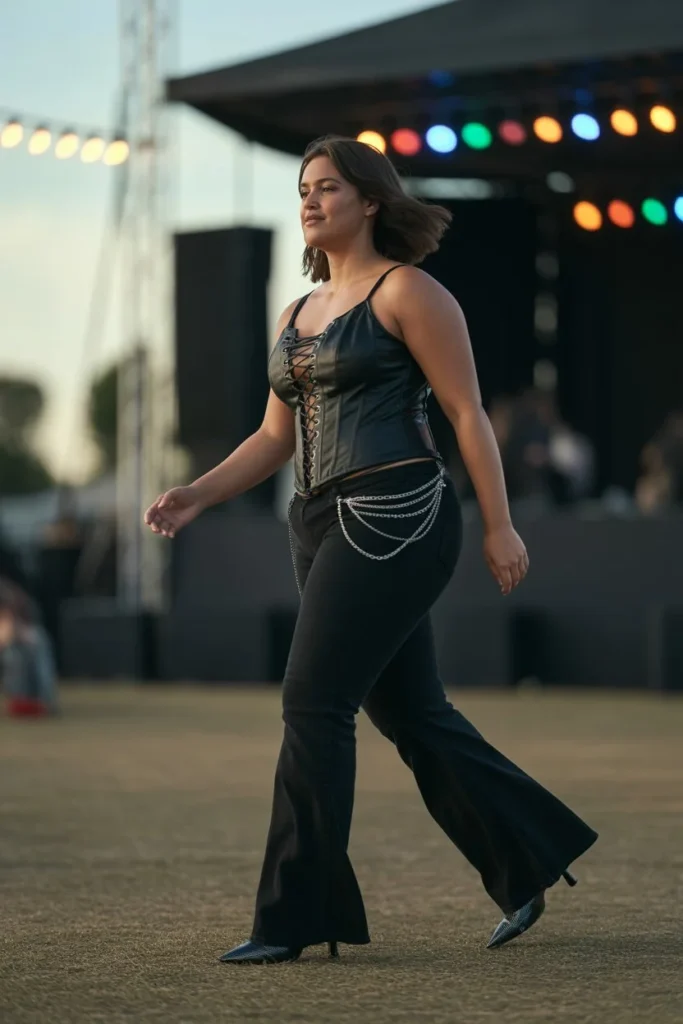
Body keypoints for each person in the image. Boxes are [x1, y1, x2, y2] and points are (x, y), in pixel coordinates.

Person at [144, 136, 598, 964]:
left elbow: (466, 415)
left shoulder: (408, 292)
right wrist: (197, 493)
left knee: (312, 704)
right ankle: (526, 858)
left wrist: (499, 524)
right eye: (303, 189)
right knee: (412, 712)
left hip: (398, 512)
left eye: (326, 188)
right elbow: (272, 435)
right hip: (315, 521)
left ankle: (294, 915)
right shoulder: (294, 315)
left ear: (371, 201)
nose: (310, 202)